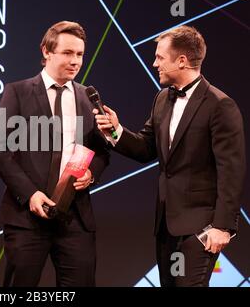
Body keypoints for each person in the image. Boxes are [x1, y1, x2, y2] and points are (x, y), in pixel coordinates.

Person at [94, 25, 245, 286]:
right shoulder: (162, 99)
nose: (154, 64)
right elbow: (145, 148)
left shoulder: (220, 105)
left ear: (182, 61)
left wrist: (223, 227)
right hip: (166, 224)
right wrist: (116, 130)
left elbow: (231, 170)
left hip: (201, 227)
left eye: (160, 58)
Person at [0, 21, 110, 286]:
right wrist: (30, 193)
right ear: (46, 51)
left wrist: (91, 173)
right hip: (27, 217)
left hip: (75, 218)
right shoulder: (17, 92)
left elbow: (102, 151)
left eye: (79, 54)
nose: (75, 61)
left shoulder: (88, 98)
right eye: (67, 53)